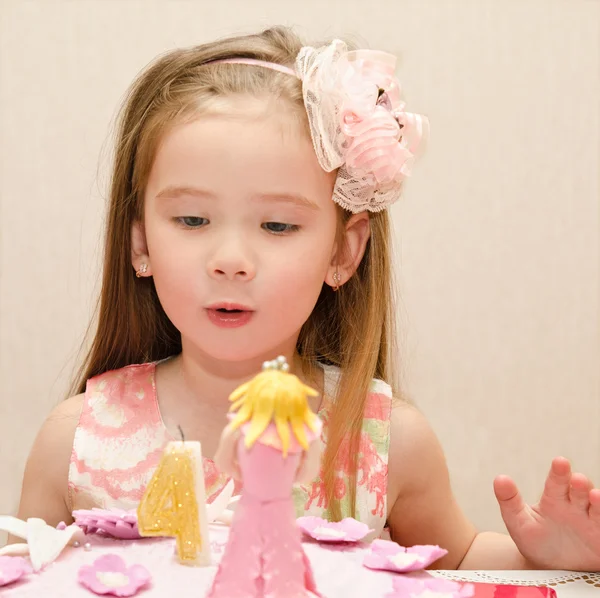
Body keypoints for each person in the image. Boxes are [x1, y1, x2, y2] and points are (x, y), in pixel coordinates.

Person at [14, 26, 600, 570]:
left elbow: (457, 563)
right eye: (192, 219)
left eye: (277, 227)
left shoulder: (386, 440)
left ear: (344, 252)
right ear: (140, 240)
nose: (231, 258)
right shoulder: (75, 440)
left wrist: (550, 556)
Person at [208, 356, 322, 597]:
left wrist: (245, 476)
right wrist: (284, 481)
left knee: (252, 547)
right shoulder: (300, 433)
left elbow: (223, 462)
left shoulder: (240, 429)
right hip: (272, 503)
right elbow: (308, 472)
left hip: (260, 502)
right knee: (274, 548)